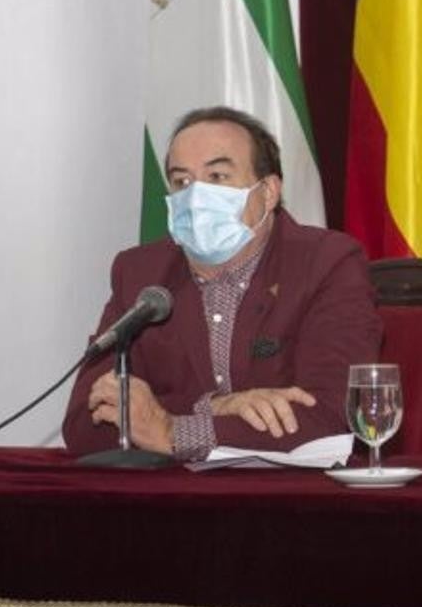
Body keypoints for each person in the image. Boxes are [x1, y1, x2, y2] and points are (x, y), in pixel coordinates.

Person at [62, 107, 381, 461]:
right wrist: (213, 407)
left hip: (291, 505)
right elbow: (83, 425)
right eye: (181, 181)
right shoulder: (140, 273)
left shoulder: (326, 263)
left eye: (217, 176)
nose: (196, 196)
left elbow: (333, 416)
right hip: (170, 505)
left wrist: (172, 429)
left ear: (269, 191)